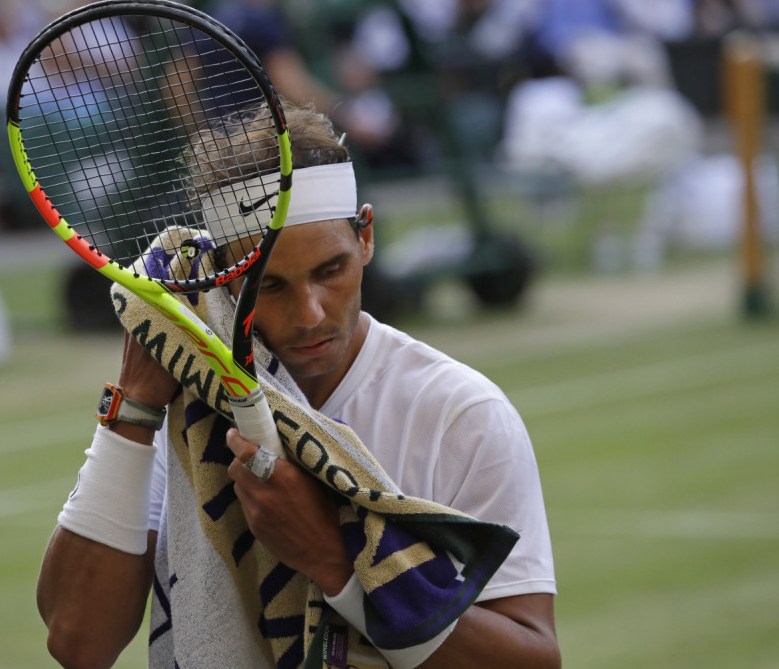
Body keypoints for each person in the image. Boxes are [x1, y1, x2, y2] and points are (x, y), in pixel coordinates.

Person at [36, 103, 560, 668]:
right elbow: (78, 643)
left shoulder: (461, 412)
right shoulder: (193, 396)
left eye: (330, 271)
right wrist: (134, 409)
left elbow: (532, 659)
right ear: (223, 279)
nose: (310, 314)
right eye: (269, 285)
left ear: (365, 237)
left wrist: (333, 559)